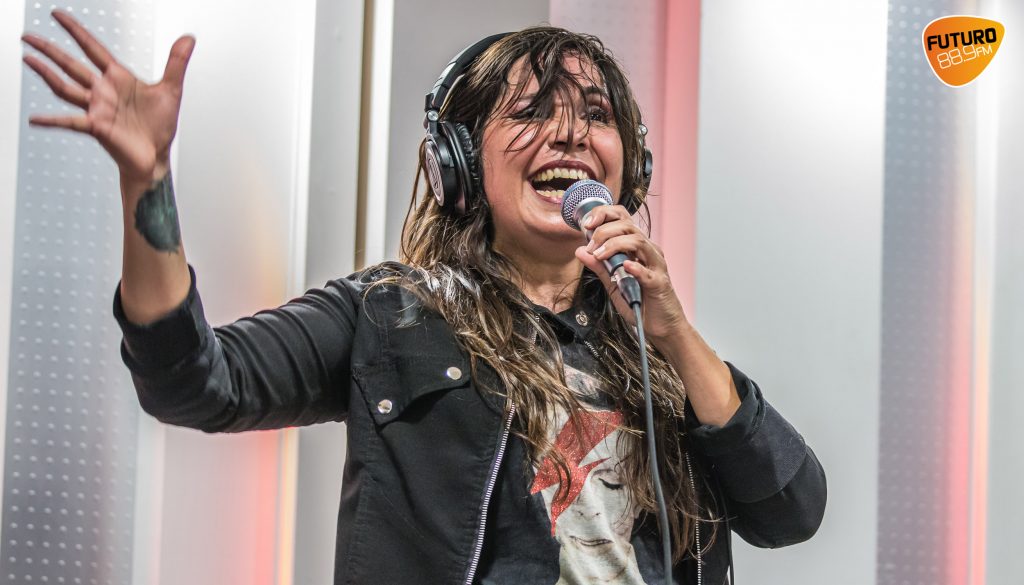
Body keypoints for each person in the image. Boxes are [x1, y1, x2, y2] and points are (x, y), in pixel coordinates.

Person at [22, 10, 826, 585]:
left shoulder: (654, 351)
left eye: (595, 115)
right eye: (531, 112)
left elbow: (792, 508)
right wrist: (148, 184)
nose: (572, 134)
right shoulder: (393, 316)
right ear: (459, 163)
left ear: (632, 167)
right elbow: (195, 382)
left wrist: (674, 334)